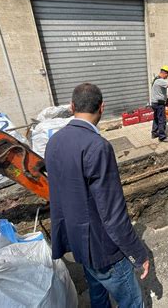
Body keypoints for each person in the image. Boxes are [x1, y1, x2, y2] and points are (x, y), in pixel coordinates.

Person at [45, 83, 149, 308]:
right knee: (132, 301)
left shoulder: (54, 141)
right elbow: (112, 212)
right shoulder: (97, 146)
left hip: (79, 243)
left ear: (72, 106)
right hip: (103, 250)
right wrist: (137, 253)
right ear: (102, 108)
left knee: (98, 293)